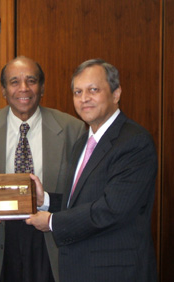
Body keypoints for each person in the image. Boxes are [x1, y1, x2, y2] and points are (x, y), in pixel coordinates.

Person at [26, 59, 158, 281]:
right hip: (80, 270)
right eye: (77, 92)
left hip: (116, 273)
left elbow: (112, 209)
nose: (84, 98)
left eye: (93, 90)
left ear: (116, 94)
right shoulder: (83, 142)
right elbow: (83, 201)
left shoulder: (135, 141)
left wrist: (51, 222)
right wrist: (46, 200)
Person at [0, 56, 86, 282]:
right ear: (3, 90)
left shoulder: (72, 129)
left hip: (48, 238)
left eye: (31, 80)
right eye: (14, 82)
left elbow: (78, 196)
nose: (23, 88)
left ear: (42, 88)